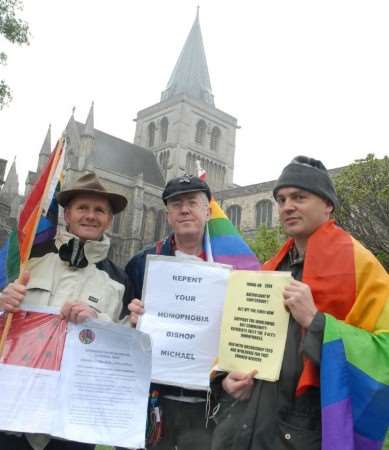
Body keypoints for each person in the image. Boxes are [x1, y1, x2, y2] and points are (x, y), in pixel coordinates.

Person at [211, 156, 389, 450]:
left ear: (328, 204)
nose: (286, 207)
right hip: (246, 429)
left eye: (299, 197)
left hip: (305, 434)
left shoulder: (363, 267)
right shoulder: (269, 269)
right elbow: (236, 343)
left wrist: (317, 322)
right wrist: (226, 381)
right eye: (281, 199)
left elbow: (383, 356)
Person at [0, 172, 129, 450]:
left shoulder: (118, 280)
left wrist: (99, 322)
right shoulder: (29, 261)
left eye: (99, 210)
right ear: (67, 214)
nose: (90, 216)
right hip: (14, 411)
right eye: (82, 207)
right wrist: (2, 304)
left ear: (109, 219)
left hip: (72, 421)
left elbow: (122, 351)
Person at [125, 174, 214, 450]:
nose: (184, 209)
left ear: (208, 211)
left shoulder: (232, 265)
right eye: (176, 204)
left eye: (192, 202)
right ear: (167, 215)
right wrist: (131, 320)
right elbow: (122, 332)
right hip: (155, 400)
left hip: (210, 404)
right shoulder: (141, 263)